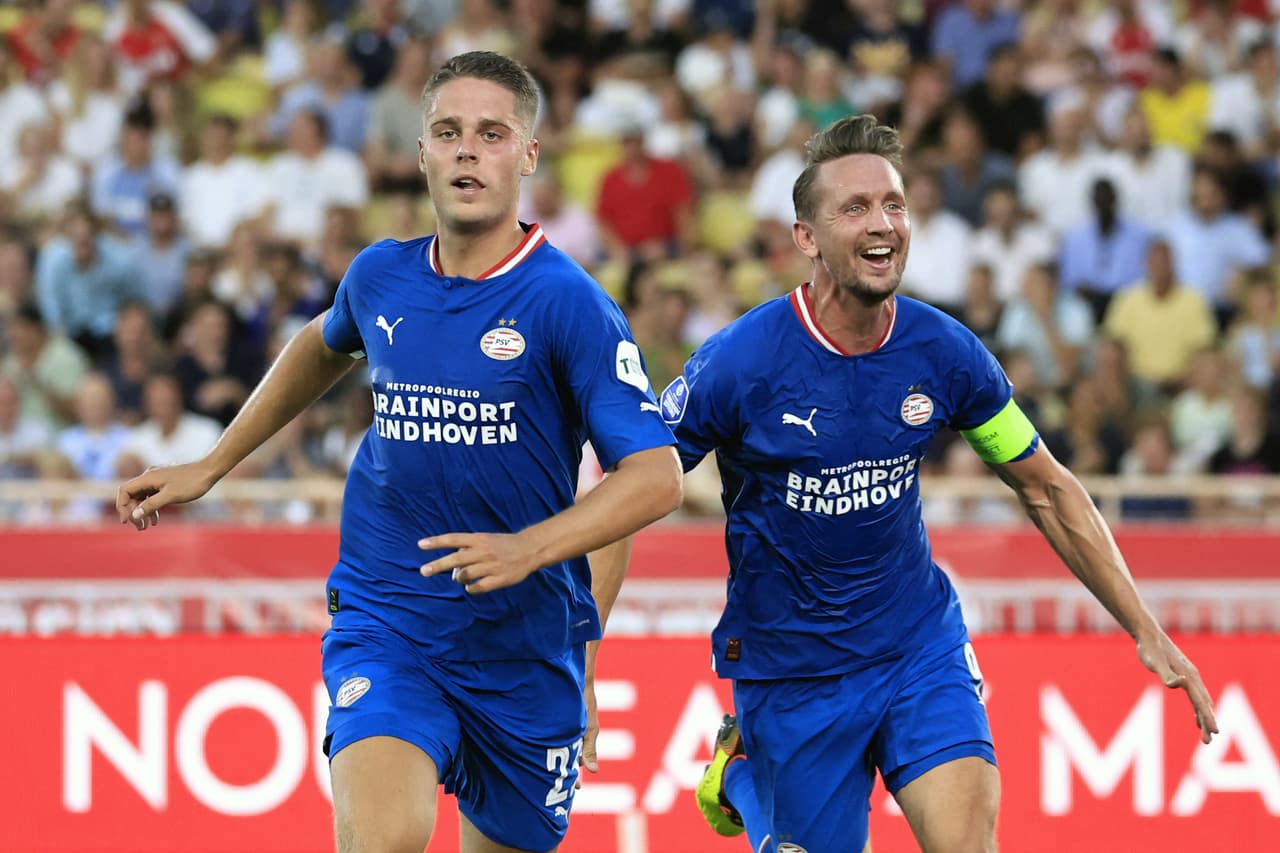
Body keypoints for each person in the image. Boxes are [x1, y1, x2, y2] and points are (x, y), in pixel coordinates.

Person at [116, 51, 683, 853]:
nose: (466, 151)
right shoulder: (381, 274)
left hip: (522, 651)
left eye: (491, 134)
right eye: (447, 132)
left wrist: (536, 561)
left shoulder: (570, 305)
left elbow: (653, 478)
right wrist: (214, 464)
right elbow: (322, 343)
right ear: (419, 151)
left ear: (528, 155)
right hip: (391, 619)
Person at [660, 115, 1218, 853]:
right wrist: (582, 644)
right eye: (854, 208)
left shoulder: (945, 352)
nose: (882, 222)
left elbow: (1045, 486)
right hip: (793, 670)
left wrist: (1146, 628)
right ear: (806, 237)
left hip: (916, 645)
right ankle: (742, 773)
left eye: (893, 203)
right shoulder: (739, 362)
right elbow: (635, 481)